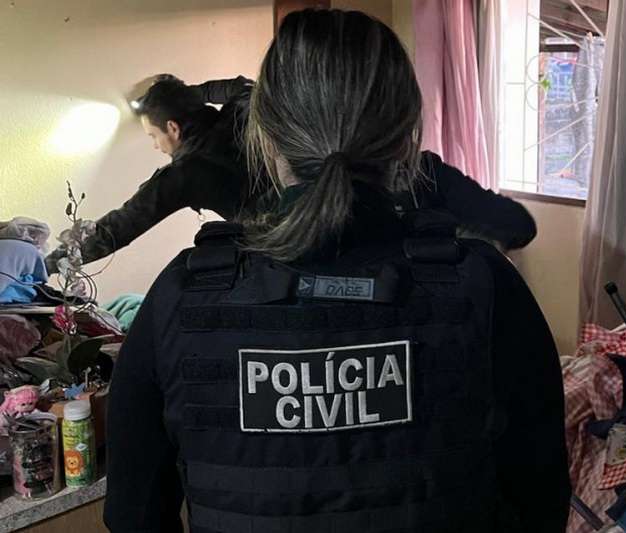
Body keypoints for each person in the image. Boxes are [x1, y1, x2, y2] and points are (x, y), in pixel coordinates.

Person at [104, 9, 569, 533]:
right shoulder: (488, 286)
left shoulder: (178, 298)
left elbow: (133, 516)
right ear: (406, 135)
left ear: (265, 136)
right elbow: (541, 502)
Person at [44, 74, 252, 274]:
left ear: (173, 128)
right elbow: (243, 87)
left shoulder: (185, 174)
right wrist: (179, 96)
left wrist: (46, 264)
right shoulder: (240, 112)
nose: (155, 145)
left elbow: (117, 228)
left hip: (266, 249)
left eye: (153, 135)